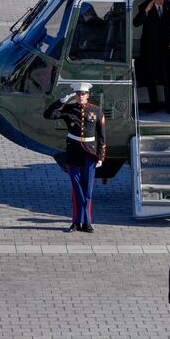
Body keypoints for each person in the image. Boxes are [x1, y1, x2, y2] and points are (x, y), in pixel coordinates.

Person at [43, 82, 106, 233]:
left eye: (83, 94)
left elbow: (102, 136)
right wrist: (61, 101)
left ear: (88, 95)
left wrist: (101, 156)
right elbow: (48, 114)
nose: (80, 96)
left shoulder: (96, 111)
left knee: (88, 190)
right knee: (76, 189)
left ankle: (87, 222)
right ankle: (76, 222)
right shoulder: (69, 109)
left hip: (90, 153)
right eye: (78, 94)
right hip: (74, 152)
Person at [133, 0, 170, 114]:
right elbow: (136, 23)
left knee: (167, 77)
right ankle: (153, 105)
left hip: (166, 47)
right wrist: (146, 10)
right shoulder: (144, 5)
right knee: (151, 77)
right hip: (149, 48)